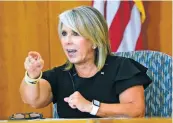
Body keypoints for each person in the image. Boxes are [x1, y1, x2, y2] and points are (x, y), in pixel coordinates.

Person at [20, 6, 152, 118]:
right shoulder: (60, 74)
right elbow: (34, 101)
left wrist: (91, 107)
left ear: (95, 40)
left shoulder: (121, 67)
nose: (67, 41)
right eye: (64, 33)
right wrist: (32, 76)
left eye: (76, 34)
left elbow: (136, 111)